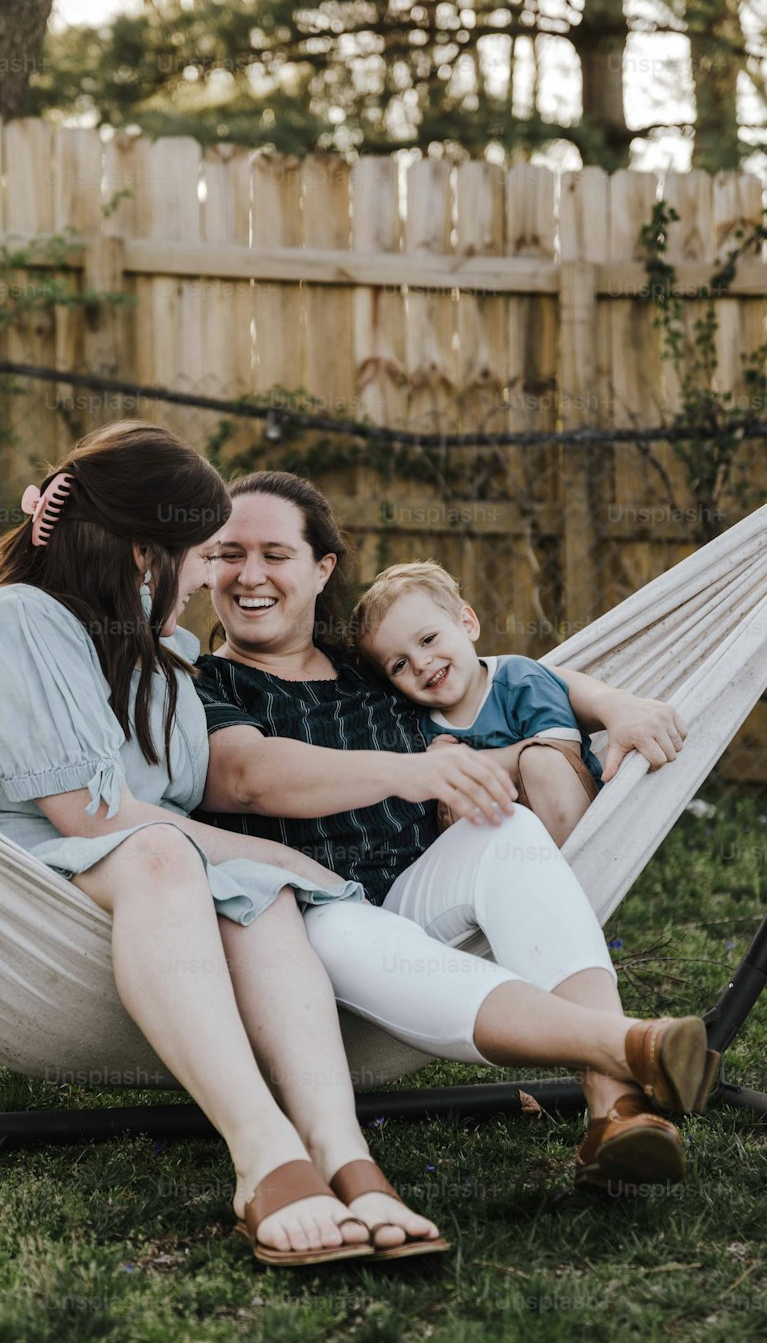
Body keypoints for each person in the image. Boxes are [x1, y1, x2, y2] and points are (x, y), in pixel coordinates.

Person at [0, 420, 464, 1268]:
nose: (214, 577)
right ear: (144, 554)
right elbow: (97, 820)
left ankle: (349, 1159)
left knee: (254, 889)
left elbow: (191, 793)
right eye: (205, 554)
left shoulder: (161, 654)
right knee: (190, 856)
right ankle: (263, 1160)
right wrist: (282, 854)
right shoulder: (15, 621)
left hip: (132, 878)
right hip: (7, 879)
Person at [194, 469, 714, 1193]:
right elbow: (246, 775)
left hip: (414, 888)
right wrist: (406, 772)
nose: (249, 574)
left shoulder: (376, 666)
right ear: (206, 566)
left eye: (275, 554)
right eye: (228, 553)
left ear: (322, 569)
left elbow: (510, 676)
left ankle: (614, 1107)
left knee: (507, 829)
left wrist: (615, 703)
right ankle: (630, 1048)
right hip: (299, 916)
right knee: (346, 925)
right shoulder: (201, 682)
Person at [349, 559, 602, 847]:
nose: (420, 663)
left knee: (539, 759)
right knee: (455, 800)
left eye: (428, 639)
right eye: (400, 665)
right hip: (498, 855)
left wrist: (458, 765)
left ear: (467, 624)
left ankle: (577, 876)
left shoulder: (520, 679)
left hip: (567, 830)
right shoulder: (418, 724)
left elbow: (563, 753)